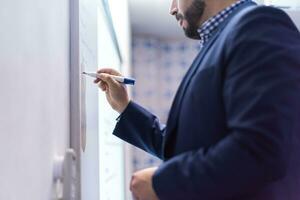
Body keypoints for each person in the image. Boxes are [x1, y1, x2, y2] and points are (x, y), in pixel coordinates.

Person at [94, 0, 300, 199]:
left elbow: (260, 149)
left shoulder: (260, 25)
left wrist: (163, 183)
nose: (172, 9)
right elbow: (187, 146)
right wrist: (126, 108)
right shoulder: (221, 39)